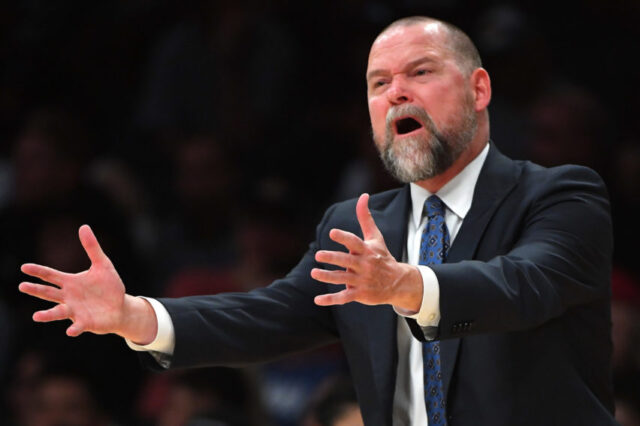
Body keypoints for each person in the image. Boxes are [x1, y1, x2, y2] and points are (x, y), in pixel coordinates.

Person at [18, 16, 616, 425]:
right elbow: (267, 316)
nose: (397, 93)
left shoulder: (560, 196)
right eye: (379, 83)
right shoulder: (357, 226)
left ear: (480, 88)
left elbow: (523, 286)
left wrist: (409, 286)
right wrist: (136, 316)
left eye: (422, 72)